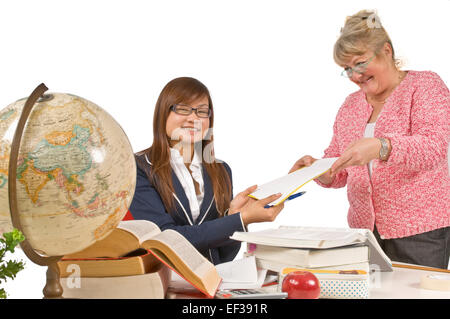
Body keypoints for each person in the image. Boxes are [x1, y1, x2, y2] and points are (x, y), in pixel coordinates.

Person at [290, 10, 450, 269]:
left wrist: (381, 147)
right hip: (364, 234)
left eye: (360, 63)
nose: (355, 75)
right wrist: (318, 170)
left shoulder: (425, 86)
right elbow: (339, 168)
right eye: (347, 69)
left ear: (386, 51)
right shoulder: (351, 105)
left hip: (420, 233)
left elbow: (433, 148)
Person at [127, 77, 284, 265]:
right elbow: (163, 239)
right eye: (183, 109)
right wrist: (239, 220)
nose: (193, 118)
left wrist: (235, 217)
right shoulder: (138, 167)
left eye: (202, 111)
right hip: (162, 281)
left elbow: (223, 256)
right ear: (163, 113)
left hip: (210, 283)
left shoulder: (221, 170)